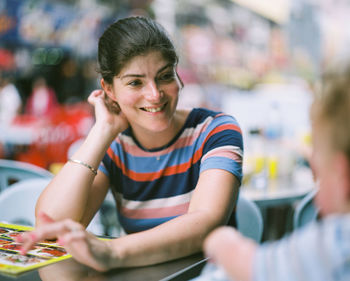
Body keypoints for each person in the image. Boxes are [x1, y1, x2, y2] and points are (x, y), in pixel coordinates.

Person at [17, 16, 243, 271]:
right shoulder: (115, 145)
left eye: (165, 76)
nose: (155, 94)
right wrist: (103, 130)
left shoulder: (216, 130)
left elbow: (206, 223)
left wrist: (111, 251)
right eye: (135, 82)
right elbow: (51, 226)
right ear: (109, 90)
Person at [193, 63, 350, 281]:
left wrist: (219, 239)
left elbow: (251, 265)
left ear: (342, 175)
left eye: (318, 170)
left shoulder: (334, 243)